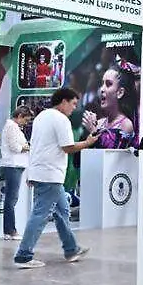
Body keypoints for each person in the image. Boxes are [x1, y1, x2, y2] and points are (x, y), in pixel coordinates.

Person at [14, 88, 98, 269]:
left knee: (62, 210)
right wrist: (88, 143)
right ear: (64, 101)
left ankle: (71, 249)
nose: (74, 108)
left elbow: (35, 146)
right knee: (40, 214)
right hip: (50, 174)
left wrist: (31, 172)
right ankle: (24, 254)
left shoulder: (41, 117)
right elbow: (68, 147)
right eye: (73, 104)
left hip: (42, 172)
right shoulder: (61, 119)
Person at [81, 60, 139, 148]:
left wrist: (93, 132)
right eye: (102, 84)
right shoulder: (99, 123)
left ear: (120, 92)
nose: (102, 89)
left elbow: (113, 153)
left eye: (108, 84)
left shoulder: (126, 124)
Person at [0, 106, 33, 240]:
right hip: (13, 165)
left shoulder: (13, 127)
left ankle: (9, 230)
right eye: (25, 120)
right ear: (19, 116)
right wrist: (25, 147)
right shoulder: (11, 127)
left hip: (15, 165)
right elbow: (15, 147)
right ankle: (10, 230)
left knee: (11, 199)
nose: (26, 123)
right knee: (11, 199)